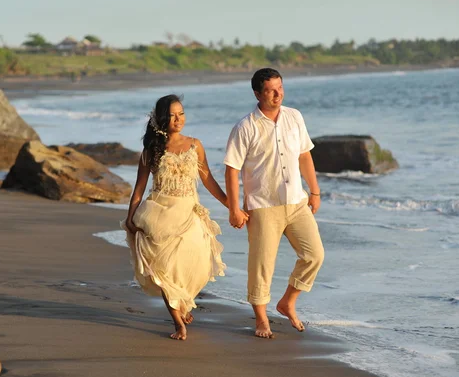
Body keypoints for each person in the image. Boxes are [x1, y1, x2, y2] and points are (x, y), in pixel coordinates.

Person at [123, 94, 235, 341]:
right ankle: (178, 323)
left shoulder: (195, 144)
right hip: (160, 216)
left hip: (189, 214)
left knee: (198, 265)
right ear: (162, 118)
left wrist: (231, 204)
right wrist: (130, 217)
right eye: (173, 115)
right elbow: (139, 188)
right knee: (166, 271)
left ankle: (184, 300)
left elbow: (207, 179)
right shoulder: (151, 149)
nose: (178, 119)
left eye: (181, 113)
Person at [224, 68, 324, 339]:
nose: (278, 93)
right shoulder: (245, 127)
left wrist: (314, 192)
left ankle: (287, 302)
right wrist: (234, 208)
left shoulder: (294, 117)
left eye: (280, 87)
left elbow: (304, 155)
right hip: (263, 205)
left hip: (296, 202)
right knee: (262, 264)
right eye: (271, 90)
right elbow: (232, 169)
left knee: (314, 255)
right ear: (257, 93)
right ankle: (261, 319)